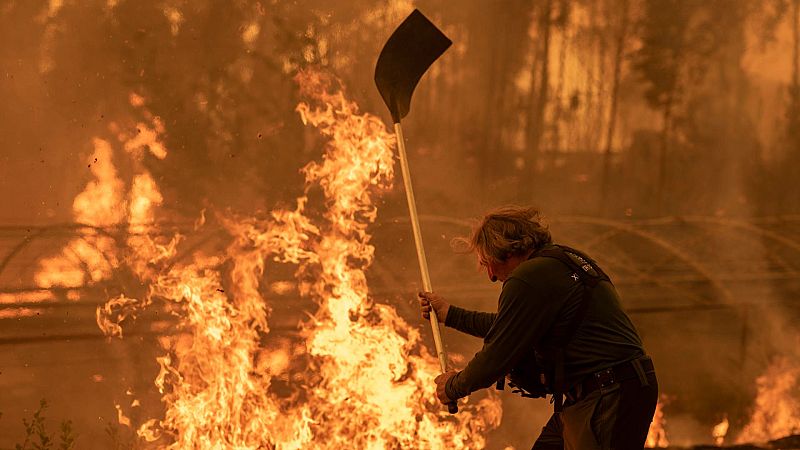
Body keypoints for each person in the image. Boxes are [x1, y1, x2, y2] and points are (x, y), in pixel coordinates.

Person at [418, 206, 658, 450]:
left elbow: (498, 355)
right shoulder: (558, 261)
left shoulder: (529, 277)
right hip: (600, 392)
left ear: (506, 251)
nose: (490, 276)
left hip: (608, 395)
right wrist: (449, 314)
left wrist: (453, 387)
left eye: (487, 263)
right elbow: (510, 327)